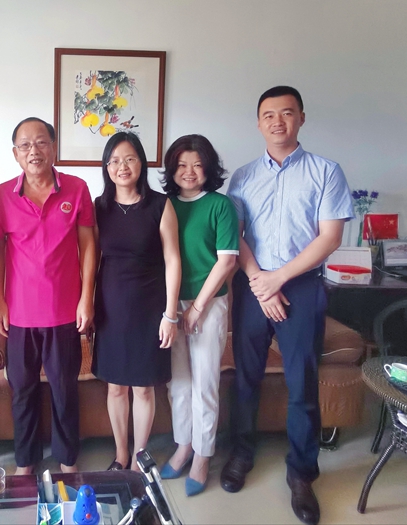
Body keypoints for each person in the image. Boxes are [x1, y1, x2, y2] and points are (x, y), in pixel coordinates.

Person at [223, 86, 354, 525]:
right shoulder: (242, 177)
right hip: (252, 285)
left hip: (300, 288)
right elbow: (235, 235)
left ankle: (301, 473)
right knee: (246, 377)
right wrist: (260, 282)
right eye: (268, 114)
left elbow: (329, 238)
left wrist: (278, 279)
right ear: (258, 123)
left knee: (302, 383)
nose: (277, 121)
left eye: (286, 113)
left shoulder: (326, 172)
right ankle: (241, 453)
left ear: (301, 118)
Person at [0, 117, 96, 475]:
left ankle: (68, 459)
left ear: (53, 147)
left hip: (64, 310)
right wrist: (0, 301)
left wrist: (86, 297)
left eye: (41, 142)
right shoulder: (3, 195)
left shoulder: (77, 189)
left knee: (64, 389)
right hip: (19, 313)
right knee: (22, 390)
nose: (33, 151)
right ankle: (26, 461)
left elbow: (88, 245)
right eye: (25, 145)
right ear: (15, 153)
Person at [92, 132, 181, 472]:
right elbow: (91, 260)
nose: (122, 166)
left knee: (143, 389)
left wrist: (170, 315)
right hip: (111, 310)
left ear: (141, 163)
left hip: (149, 309)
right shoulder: (99, 207)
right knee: (116, 387)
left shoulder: (160, 205)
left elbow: (173, 260)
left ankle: (138, 460)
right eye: (114, 160)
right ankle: (121, 455)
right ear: (106, 167)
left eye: (129, 159)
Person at [158, 135, 239, 496]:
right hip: (170, 304)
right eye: (181, 165)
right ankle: (184, 446)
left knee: (205, 382)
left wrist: (197, 307)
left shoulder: (221, 205)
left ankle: (203, 455)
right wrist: (173, 309)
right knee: (178, 383)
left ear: (208, 168)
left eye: (197, 164)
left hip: (208, 303)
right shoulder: (164, 205)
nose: (189, 172)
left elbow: (227, 261)